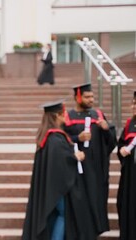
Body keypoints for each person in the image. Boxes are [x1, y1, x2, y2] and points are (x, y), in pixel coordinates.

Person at [22, 100, 98, 240]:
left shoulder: (46, 136)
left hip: (49, 186)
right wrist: (76, 157)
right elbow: (62, 162)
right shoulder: (55, 138)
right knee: (63, 214)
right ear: (57, 116)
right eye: (63, 114)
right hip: (57, 188)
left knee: (58, 215)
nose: (65, 116)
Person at [63, 83, 117, 236]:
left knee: (95, 199)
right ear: (77, 97)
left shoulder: (98, 115)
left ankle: (94, 231)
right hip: (77, 169)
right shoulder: (68, 117)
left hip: (95, 170)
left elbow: (110, 143)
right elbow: (60, 140)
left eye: (92, 96)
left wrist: (107, 130)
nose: (91, 100)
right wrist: (76, 138)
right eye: (87, 97)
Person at [116, 91, 136, 240]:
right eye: (133, 103)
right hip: (131, 177)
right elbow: (122, 143)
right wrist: (122, 149)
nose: (134, 106)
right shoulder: (130, 124)